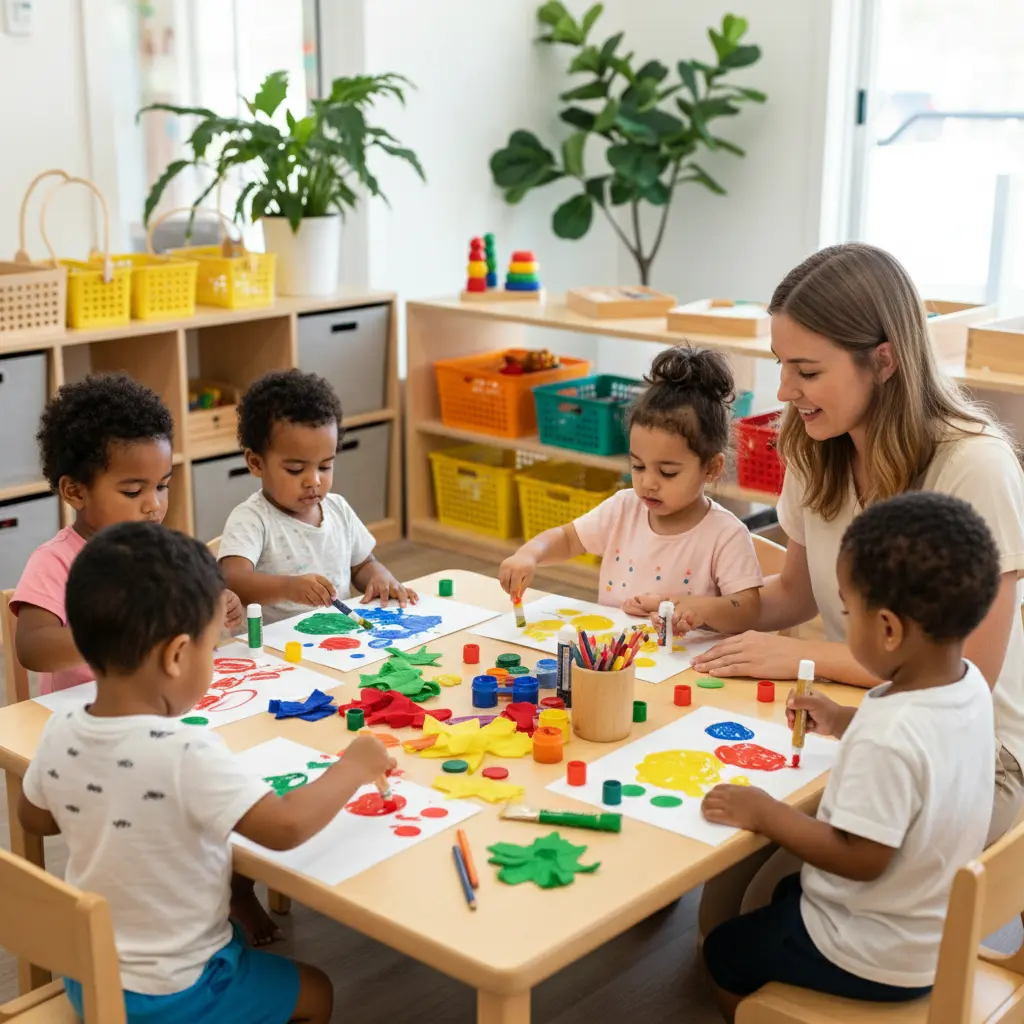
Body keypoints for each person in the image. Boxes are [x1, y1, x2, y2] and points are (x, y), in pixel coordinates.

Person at [692, 243, 1024, 842]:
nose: (787, 390)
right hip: (870, 719)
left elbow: (966, 668)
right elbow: (794, 595)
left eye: (808, 371)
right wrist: (706, 608)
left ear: (885, 360)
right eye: (781, 364)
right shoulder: (813, 444)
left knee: (766, 878)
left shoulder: (974, 465)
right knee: (738, 870)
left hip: (976, 752)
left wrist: (801, 657)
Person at [18, 522, 396, 1024]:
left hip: (90, 974)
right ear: (177, 655)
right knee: (317, 991)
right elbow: (285, 829)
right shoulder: (186, 751)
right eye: (210, 646)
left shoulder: (61, 728)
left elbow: (35, 819)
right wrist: (354, 765)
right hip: (173, 990)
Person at [700, 491, 998, 1022]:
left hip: (872, 955)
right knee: (786, 893)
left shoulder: (891, 735)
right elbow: (926, 746)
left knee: (723, 950)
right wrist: (843, 719)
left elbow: (861, 858)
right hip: (933, 929)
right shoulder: (967, 687)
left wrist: (767, 813)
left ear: (887, 628)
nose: (842, 619)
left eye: (846, 609)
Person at [499, 347, 763, 635]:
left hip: (684, 668)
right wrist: (529, 554)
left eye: (667, 472)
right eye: (637, 466)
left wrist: (696, 608)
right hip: (615, 658)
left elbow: (747, 609)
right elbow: (567, 538)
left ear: (711, 468)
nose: (648, 482)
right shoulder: (623, 508)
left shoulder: (725, 534)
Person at [12, 373, 243, 694]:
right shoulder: (56, 561)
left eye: (162, 486)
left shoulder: (163, 552)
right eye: (133, 491)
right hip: (88, 718)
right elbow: (33, 647)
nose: (154, 505)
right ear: (75, 491)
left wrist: (214, 604)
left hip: (156, 703)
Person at [219, 369, 415, 625]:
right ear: (256, 463)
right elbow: (233, 579)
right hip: (273, 654)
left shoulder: (338, 509)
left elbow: (362, 564)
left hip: (334, 642)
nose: (314, 480)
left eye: (324, 466)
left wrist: (378, 576)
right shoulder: (252, 519)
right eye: (296, 469)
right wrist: (288, 588)